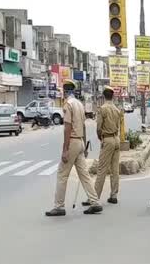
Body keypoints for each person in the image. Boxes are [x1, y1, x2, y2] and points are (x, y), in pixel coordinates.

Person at [45, 80, 102, 217]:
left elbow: (67, 128)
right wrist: (84, 144)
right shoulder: (79, 104)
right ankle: (94, 202)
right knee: (84, 174)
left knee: (62, 174)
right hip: (80, 142)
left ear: (65, 92)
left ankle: (59, 206)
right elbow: (83, 125)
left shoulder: (68, 104)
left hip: (72, 142)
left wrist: (65, 149)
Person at [83, 86, 121, 206]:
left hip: (108, 139)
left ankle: (94, 197)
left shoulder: (102, 109)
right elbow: (118, 126)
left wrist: (101, 139)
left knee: (102, 169)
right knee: (115, 169)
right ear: (112, 96)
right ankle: (114, 195)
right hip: (116, 139)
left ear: (104, 96)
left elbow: (99, 128)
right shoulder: (116, 109)